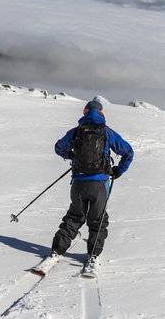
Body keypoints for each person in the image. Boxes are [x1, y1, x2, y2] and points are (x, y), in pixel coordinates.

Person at [50, 100, 134, 273]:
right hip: (100, 184)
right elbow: (128, 152)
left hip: (79, 183)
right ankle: (93, 256)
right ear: (101, 113)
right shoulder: (107, 132)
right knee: (98, 220)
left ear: (85, 112)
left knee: (74, 216)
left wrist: (72, 156)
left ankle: (57, 249)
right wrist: (119, 170)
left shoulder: (76, 132)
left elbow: (59, 148)